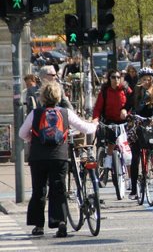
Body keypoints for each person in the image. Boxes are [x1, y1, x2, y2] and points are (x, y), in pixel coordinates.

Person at [19, 81, 98, 238]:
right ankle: (60, 223)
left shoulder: (35, 113)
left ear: (42, 96)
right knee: (58, 189)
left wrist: (32, 140)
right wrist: (95, 124)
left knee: (39, 190)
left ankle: (38, 225)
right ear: (58, 96)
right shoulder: (65, 112)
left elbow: (22, 133)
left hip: (38, 157)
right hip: (59, 156)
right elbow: (85, 128)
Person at [129, 67, 153, 199]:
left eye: (148, 79)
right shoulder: (135, 92)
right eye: (143, 79)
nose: (146, 82)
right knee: (135, 157)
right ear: (140, 80)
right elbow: (127, 106)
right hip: (137, 125)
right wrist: (124, 112)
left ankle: (151, 165)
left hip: (150, 125)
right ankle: (134, 189)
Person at [92, 69, 132, 187]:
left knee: (127, 151)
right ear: (109, 79)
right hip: (110, 121)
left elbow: (133, 103)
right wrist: (95, 119)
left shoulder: (126, 90)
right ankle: (106, 172)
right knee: (110, 145)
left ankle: (130, 179)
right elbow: (98, 108)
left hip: (124, 122)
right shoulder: (105, 91)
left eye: (118, 77)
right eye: (113, 77)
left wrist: (128, 113)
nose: (116, 80)